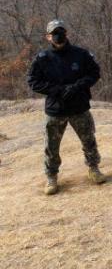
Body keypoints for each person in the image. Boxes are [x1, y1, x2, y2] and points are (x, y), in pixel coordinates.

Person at [27, 20, 107, 195]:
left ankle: (94, 169)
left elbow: (94, 73)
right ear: (48, 37)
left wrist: (77, 86)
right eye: (54, 33)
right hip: (55, 110)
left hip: (79, 107)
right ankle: (51, 177)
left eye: (61, 31)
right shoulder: (42, 59)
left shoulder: (81, 54)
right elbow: (33, 81)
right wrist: (55, 90)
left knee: (89, 141)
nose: (58, 35)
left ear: (67, 33)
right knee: (51, 147)